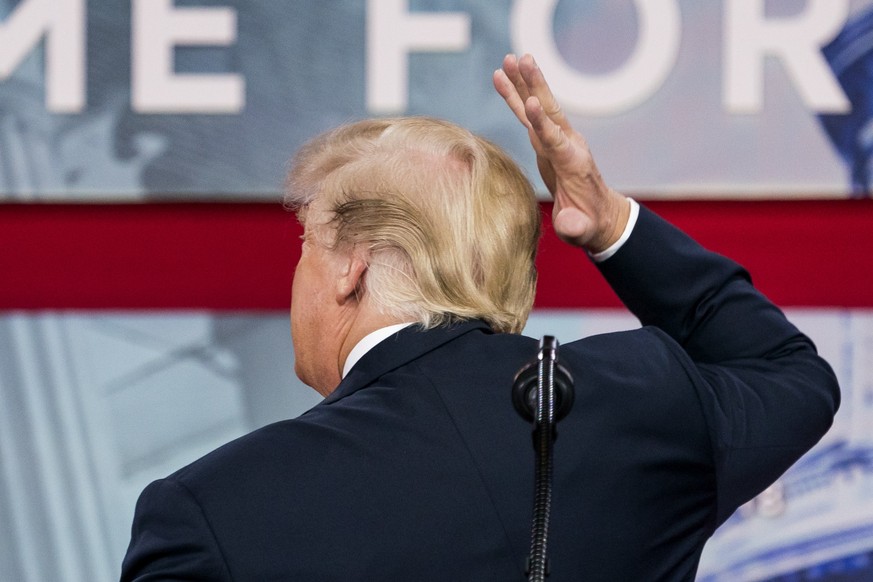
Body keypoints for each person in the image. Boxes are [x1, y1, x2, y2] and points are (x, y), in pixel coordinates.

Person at [121, 54, 839, 581]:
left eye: (305, 244)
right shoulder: (646, 401)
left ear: (350, 265)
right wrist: (610, 224)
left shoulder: (211, 511)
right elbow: (788, 373)